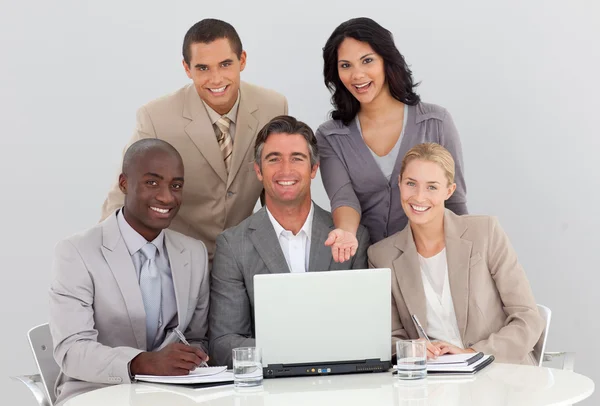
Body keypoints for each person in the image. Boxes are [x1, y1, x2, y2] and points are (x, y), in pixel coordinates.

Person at [101, 18, 288, 263]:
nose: (216, 79)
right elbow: (124, 192)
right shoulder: (157, 117)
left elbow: (275, 188)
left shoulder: (273, 107)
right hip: (174, 258)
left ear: (242, 60)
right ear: (187, 68)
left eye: (225, 64)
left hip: (243, 257)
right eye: (203, 68)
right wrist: (104, 257)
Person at [50, 139, 210, 405]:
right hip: (97, 392)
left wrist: (192, 358)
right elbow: (72, 351)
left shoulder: (194, 253)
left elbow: (196, 338)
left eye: (176, 185)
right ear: (124, 183)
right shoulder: (76, 252)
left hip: (173, 394)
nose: (167, 197)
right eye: (152, 182)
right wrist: (144, 363)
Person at [209, 116, 370, 367]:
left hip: (339, 386)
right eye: (274, 159)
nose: (286, 169)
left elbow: (365, 329)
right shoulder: (233, 245)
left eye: (297, 158)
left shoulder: (352, 236)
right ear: (259, 171)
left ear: (314, 169)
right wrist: (299, 350)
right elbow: (223, 344)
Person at [368, 143, 543, 365]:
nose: (419, 197)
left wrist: (471, 353)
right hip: (434, 382)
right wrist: (416, 349)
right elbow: (392, 335)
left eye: (432, 187)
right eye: (411, 184)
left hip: (499, 372)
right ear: (400, 183)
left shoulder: (485, 233)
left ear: (449, 191)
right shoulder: (381, 256)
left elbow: (528, 318)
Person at [317, 17, 468, 262]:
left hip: (432, 260)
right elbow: (344, 199)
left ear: (387, 60)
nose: (357, 75)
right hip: (367, 262)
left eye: (367, 61)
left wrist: (462, 261)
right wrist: (345, 233)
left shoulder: (436, 122)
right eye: (345, 65)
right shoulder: (330, 136)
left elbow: (456, 202)